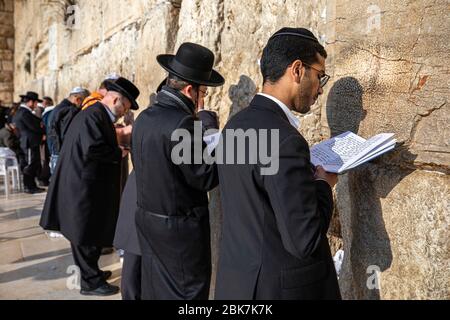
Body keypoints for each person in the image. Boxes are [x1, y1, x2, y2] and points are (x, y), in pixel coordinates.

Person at [214, 28, 341, 300]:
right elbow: (303, 240)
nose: (320, 88)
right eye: (320, 76)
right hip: (278, 289)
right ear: (297, 70)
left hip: (238, 284)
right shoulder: (286, 140)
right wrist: (322, 184)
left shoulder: (235, 126)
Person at [132, 43, 224, 300]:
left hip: (149, 221)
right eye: (202, 92)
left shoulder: (145, 117)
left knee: (157, 290)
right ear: (188, 90)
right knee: (187, 293)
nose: (203, 99)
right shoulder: (184, 122)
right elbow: (204, 175)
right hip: (179, 231)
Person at [40, 77, 140, 296]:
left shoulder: (97, 114)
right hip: (81, 185)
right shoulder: (93, 115)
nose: (124, 112)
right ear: (115, 99)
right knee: (83, 232)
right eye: (125, 106)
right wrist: (119, 152)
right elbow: (92, 148)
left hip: (86, 184)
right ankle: (89, 282)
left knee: (91, 229)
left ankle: (93, 271)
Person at [113, 79, 166, 300]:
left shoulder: (148, 119)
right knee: (133, 269)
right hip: (140, 199)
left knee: (136, 266)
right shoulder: (162, 122)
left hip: (139, 196)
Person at [48, 87, 90, 173]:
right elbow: (66, 135)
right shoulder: (70, 111)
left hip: (56, 152)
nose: (83, 106)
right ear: (78, 99)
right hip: (63, 154)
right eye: (83, 103)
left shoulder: (58, 108)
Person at [12, 92, 46, 194]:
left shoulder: (22, 111)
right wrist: (43, 130)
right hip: (29, 142)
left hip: (29, 142)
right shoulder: (24, 113)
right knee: (30, 164)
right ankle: (29, 186)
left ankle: (32, 185)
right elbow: (34, 127)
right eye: (36, 103)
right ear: (31, 102)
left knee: (33, 163)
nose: (36, 106)